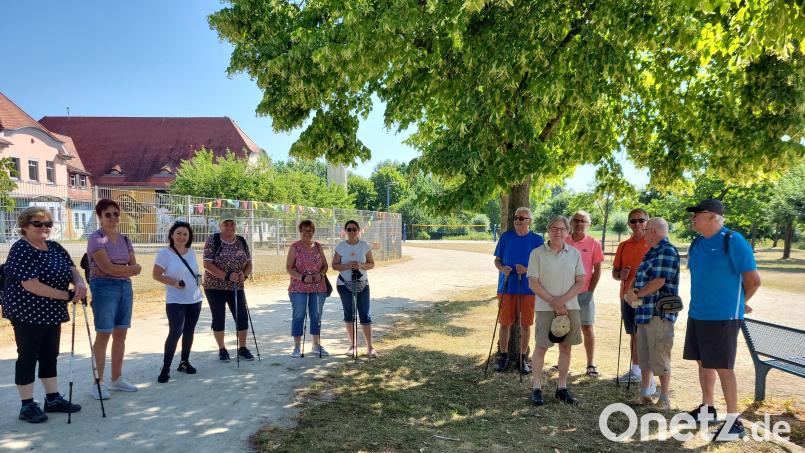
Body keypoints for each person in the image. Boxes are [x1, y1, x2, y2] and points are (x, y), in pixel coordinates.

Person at [683, 199, 761, 441]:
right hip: (697, 313)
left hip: (722, 317)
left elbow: (753, 280)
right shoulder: (697, 243)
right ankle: (708, 408)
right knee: (703, 362)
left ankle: (734, 422)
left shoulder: (733, 241)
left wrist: (738, 303)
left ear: (710, 216)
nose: (692, 218)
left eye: (696, 214)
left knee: (724, 367)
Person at [2, 207, 86, 422]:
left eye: (48, 223)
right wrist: (65, 296)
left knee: (50, 354)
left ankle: (52, 398)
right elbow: (31, 285)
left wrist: (79, 284)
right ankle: (27, 405)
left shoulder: (55, 247)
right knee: (28, 356)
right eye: (37, 224)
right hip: (27, 311)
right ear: (24, 226)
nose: (44, 228)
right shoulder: (21, 249)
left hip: (52, 311)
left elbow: (72, 269)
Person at [526, 216, 585, 406]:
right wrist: (553, 301)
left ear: (568, 232)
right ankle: (536, 387)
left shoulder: (574, 253)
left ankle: (562, 387)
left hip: (570, 308)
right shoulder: (537, 253)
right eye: (554, 228)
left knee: (565, 347)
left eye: (562, 229)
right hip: (545, 308)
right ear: (548, 230)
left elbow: (580, 281)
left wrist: (562, 302)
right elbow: (533, 282)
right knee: (541, 346)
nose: (558, 232)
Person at [87, 198, 142, 399]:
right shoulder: (97, 238)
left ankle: (116, 378)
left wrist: (123, 271)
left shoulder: (125, 239)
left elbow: (135, 268)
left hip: (125, 288)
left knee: (121, 334)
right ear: (100, 217)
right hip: (103, 288)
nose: (112, 218)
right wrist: (126, 270)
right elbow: (107, 267)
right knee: (103, 334)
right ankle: (98, 382)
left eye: (116, 214)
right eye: (107, 215)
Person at [624, 218, 679, 411]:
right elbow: (640, 278)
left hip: (658, 313)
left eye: (646, 229)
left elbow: (659, 281)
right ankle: (645, 394)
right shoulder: (651, 251)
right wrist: (631, 292)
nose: (642, 232)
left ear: (654, 231)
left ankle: (664, 399)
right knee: (645, 355)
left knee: (660, 355)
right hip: (644, 312)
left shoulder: (666, 250)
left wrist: (636, 294)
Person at [492, 207, 544, 373]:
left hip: (528, 289)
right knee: (505, 323)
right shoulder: (506, 237)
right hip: (507, 287)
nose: (517, 220)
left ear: (529, 221)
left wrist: (527, 270)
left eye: (522, 218)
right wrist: (502, 268)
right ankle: (504, 356)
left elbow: (543, 266)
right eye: (516, 217)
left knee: (526, 325)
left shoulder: (537, 240)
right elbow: (497, 261)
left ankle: (522, 359)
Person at [152, 221, 203, 383]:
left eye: (185, 234)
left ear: (189, 237)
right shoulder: (164, 253)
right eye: (179, 233)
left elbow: (195, 273)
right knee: (176, 331)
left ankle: (184, 362)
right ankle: (166, 367)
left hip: (194, 298)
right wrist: (174, 283)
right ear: (172, 235)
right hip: (176, 300)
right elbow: (156, 275)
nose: (182, 237)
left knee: (189, 331)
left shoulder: (192, 252)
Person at [202, 214, 255, 363]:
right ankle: (222, 349)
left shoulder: (241, 241)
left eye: (232, 223)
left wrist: (244, 276)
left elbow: (249, 264)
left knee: (242, 316)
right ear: (220, 226)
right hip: (214, 286)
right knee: (219, 317)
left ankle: (243, 348)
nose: (230, 227)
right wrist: (226, 276)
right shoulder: (213, 240)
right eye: (226, 224)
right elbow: (207, 264)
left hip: (237, 286)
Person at [612, 208, 652, 386]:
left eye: (641, 220)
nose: (637, 224)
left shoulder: (653, 244)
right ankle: (635, 370)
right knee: (634, 334)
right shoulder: (623, 246)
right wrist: (621, 273)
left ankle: (649, 376)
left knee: (648, 335)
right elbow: (614, 272)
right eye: (633, 221)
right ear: (629, 224)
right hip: (626, 297)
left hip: (648, 298)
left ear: (647, 222)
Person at [563, 210, 603, 377]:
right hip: (564, 294)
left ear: (588, 225)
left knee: (587, 328)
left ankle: (590, 364)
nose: (579, 224)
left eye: (583, 221)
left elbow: (597, 270)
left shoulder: (594, 243)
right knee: (565, 327)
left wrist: (590, 292)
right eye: (576, 220)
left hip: (584, 293)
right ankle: (563, 363)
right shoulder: (563, 241)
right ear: (571, 223)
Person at [285, 220, 329, 358]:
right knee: (298, 315)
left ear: (313, 232)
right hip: (298, 288)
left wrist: (320, 274)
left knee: (316, 316)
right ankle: (297, 347)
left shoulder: (318, 246)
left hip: (318, 287)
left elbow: (325, 266)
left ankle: (316, 345)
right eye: (304, 230)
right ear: (300, 231)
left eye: (310, 230)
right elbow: (289, 268)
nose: (307, 233)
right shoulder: (295, 247)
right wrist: (303, 277)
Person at [333, 220, 377, 357]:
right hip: (344, 284)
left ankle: (370, 347)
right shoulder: (341, 246)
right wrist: (347, 266)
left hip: (362, 283)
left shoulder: (364, 246)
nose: (352, 232)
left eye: (354, 229)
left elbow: (372, 264)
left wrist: (360, 265)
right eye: (349, 229)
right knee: (349, 313)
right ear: (345, 231)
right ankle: (353, 345)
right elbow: (334, 265)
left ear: (358, 231)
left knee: (365, 314)